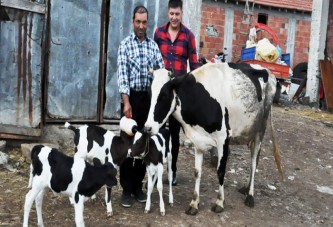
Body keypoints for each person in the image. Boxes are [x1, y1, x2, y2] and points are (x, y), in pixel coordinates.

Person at [117, 5, 164, 208]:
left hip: (147, 101)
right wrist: (126, 102)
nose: (141, 26)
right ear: (133, 22)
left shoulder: (154, 47)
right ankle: (126, 190)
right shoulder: (125, 45)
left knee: (145, 145)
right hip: (131, 101)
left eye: (145, 22)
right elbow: (122, 76)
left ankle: (138, 187)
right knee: (128, 146)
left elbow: (160, 74)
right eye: (138, 22)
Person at [153, 0, 199, 186]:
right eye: (171, 14)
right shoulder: (158, 33)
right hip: (161, 94)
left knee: (173, 134)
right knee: (157, 132)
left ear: (182, 14)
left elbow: (195, 67)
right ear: (168, 13)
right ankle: (156, 169)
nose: (174, 17)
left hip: (177, 96)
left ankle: (172, 171)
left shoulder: (189, 36)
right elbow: (153, 58)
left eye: (177, 14)